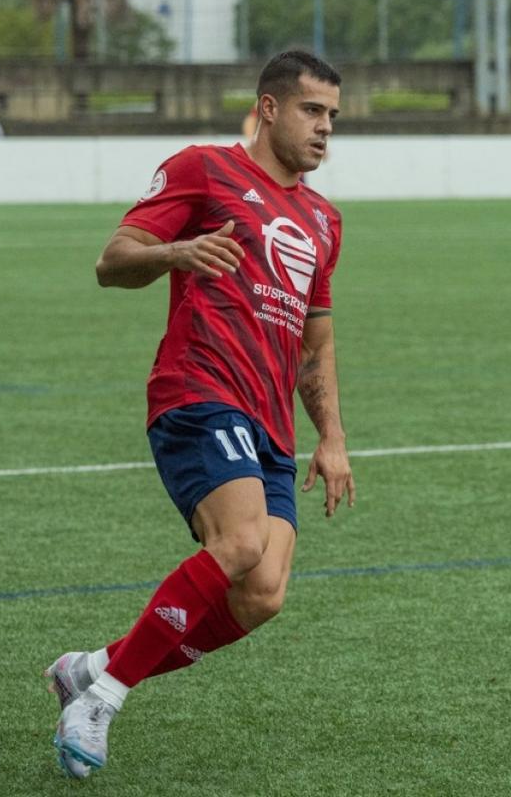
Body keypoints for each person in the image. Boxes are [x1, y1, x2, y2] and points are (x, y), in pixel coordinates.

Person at [45, 50, 355, 779]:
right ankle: (104, 699)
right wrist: (178, 251)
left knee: (264, 593)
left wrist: (332, 438)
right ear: (270, 108)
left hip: (270, 423)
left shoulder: (323, 221)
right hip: (199, 391)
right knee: (242, 540)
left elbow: (317, 342)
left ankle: (94, 668)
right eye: (313, 111)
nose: (325, 130)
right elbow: (112, 260)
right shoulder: (203, 170)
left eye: (334, 116)